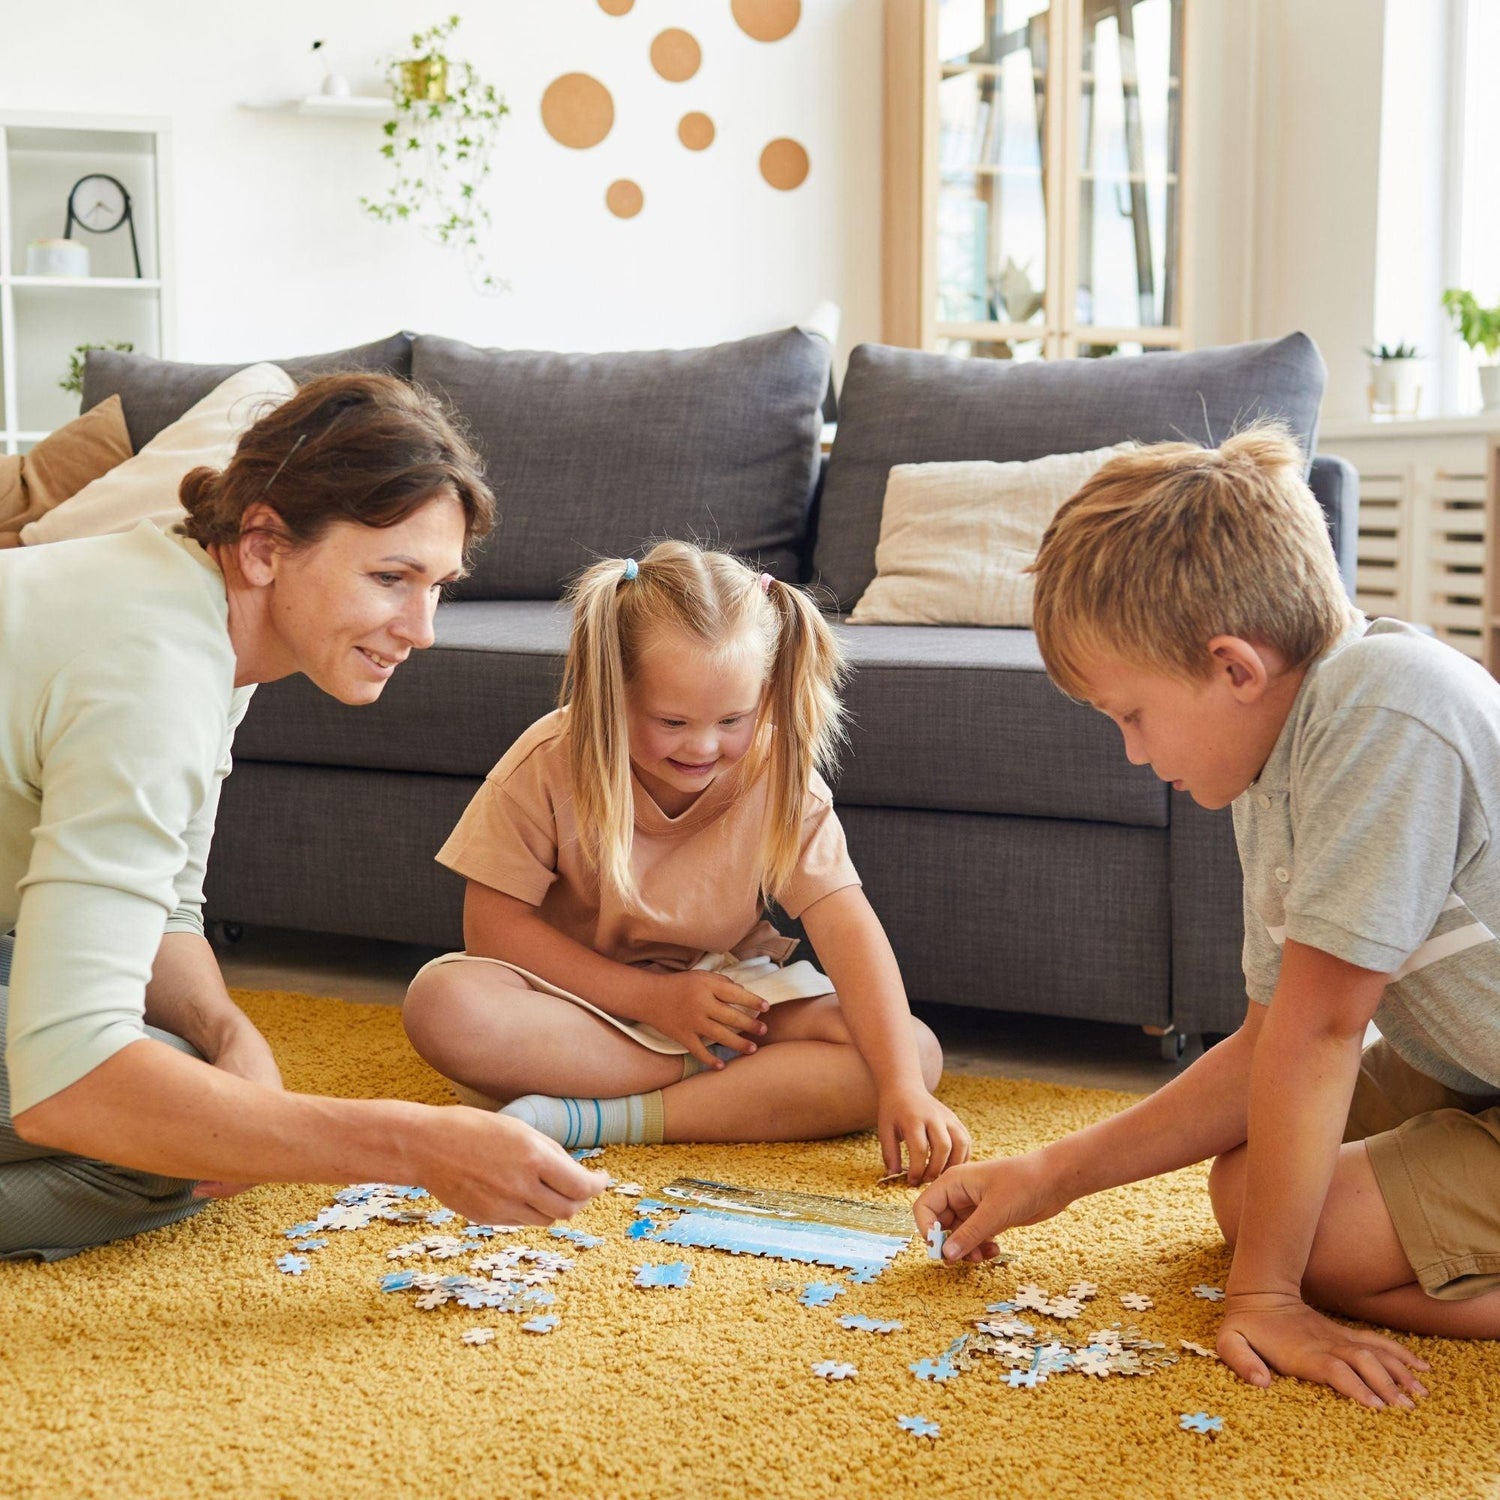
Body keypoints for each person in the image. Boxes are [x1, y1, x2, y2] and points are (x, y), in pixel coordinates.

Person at [915, 424, 1500, 1409]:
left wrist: (1267, 1295)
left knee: (1316, 1246)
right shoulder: (1276, 754)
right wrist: (1051, 1174)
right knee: (1248, 1191)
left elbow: (1322, 1029)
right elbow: (1273, 1039)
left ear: (1234, 668)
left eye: (1130, 715)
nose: (1134, 755)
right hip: (1470, 1069)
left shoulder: (1383, 708)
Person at [1, 372, 603, 1260]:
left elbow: (165, 906)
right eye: (392, 577)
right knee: (144, 1130)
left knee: (187, 1091)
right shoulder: (152, 674)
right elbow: (72, 1083)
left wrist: (227, 1032)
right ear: (263, 545)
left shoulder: (197, 613)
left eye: (437, 584)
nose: (423, 628)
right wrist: (412, 1145)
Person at [401, 539, 969, 1182]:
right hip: (571, 1001)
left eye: (733, 718)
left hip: (724, 999)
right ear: (611, 692)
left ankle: (588, 1118)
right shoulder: (549, 758)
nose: (703, 746)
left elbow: (846, 924)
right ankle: (698, 1076)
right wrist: (654, 1000)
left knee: (912, 1056)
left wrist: (901, 1087)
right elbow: (492, 930)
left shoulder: (780, 775)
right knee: (444, 1003)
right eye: (671, 721)